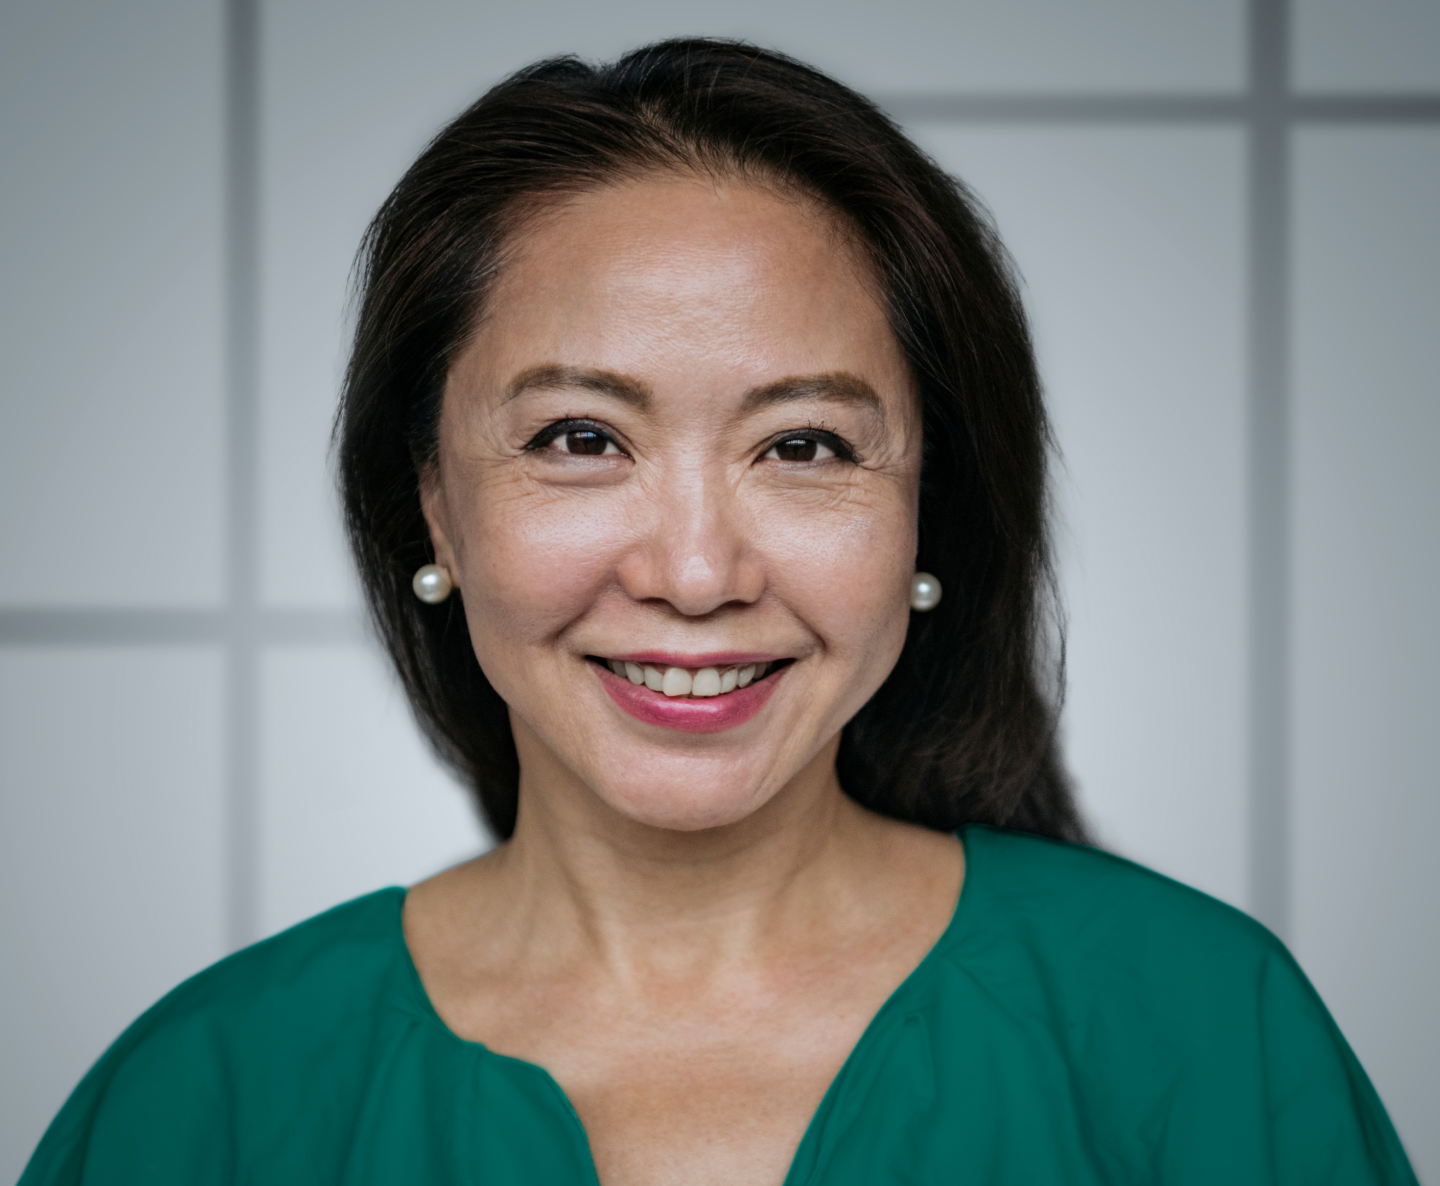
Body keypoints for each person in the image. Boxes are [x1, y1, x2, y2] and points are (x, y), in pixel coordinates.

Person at [21, 38, 1416, 1186]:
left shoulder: (1200, 1032)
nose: (695, 574)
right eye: (579, 437)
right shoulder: (205, 1103)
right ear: (436, 506)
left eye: (804, 445)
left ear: (930, 511)